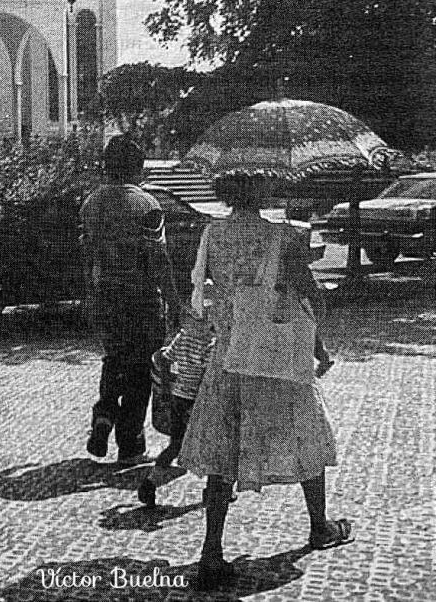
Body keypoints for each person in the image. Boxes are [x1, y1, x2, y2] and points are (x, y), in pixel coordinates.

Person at [177, 172, 352, 591]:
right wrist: (320, 344)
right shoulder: (284, 237)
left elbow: (204, 292)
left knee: (223, 451)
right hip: (274, 360)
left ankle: (211, 552)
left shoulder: (211, 234)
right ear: (262, 190)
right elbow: (309, 299)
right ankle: (319, 527)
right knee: (304, 435)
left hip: (230, 356)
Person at [79, 135, 180, 465]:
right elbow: (158, 259)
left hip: (105, 294)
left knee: (114, 358)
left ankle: (105, 411)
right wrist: (175, 302)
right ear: (138, 167)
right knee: (140, 371)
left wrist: (89, 297)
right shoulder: (147, 206)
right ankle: (130, 442)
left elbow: (87, 255)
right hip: (141, 300)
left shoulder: (91, 204)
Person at [137, 301, 216, 508]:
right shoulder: (210, 345)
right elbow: (209, 375)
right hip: (198, 401)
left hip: (178, 397)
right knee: (210, 445)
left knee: (175, 444)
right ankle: (213, 489)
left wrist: (165, 384)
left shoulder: (182, 338)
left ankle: (151, 481)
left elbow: (163, 358)